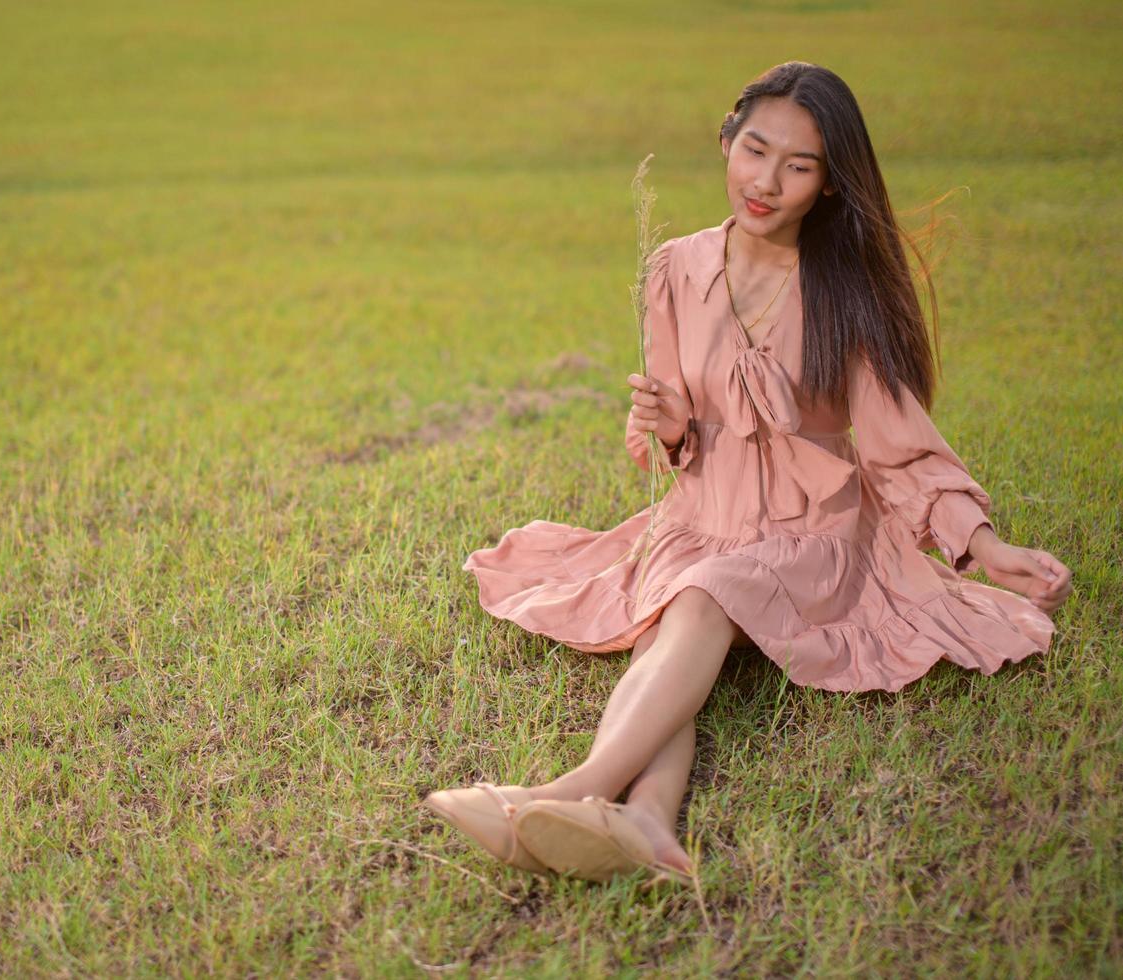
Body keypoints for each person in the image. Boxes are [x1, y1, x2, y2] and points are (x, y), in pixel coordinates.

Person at [421, 61, 1074, 885]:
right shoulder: (671, 268)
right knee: (666, 623)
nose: (765, 181)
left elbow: (897, 444)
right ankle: (650, 826)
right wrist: (664, 429)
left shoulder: (846, 292)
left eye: (797, 166)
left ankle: (561, 793)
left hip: (817, 529)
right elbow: (679, 432)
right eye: (753, 150)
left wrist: (981, 545)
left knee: (697, 597)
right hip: (704, 514)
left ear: (830, 184)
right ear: (726, 140)